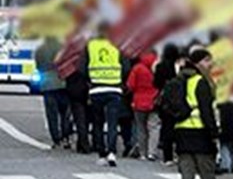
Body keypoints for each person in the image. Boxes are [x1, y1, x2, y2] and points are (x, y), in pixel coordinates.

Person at [172, 50, 230, 179]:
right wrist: (214, 134)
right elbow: (206, 111)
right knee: (207, 174)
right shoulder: (200, 82)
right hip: (200, 133)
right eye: (207, 61)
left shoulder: (179, 79)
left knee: (187, 176)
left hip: (182, 132)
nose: (210, 64)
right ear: (198, 63)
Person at [79, 23, 125, 167]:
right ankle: (112, 151)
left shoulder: (90, 46)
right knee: (112, 123)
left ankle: (101, 153)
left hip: (96, 89)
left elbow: (82, 68)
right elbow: (126, 66)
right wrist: (118, 80)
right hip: (114, 88)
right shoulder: (118, 45)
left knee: (97, 123)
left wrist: (91, 79)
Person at [35, 36, 73, 149]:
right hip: (63, 83)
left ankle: (56, 139)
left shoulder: (40, 49)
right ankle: (66, 137)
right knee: (65, 113)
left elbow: (38, 66)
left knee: (52, 115)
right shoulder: (64, 48)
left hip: (47, 85)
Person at [126, 50, 160, 161]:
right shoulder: (157, 67)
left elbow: (130, 85)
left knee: (141, 128)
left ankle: (143, 153)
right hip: (154, 101)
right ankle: (152, 152)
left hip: (139, 102)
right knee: (154, 127)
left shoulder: (137, 68)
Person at [154, 44, 181, 164]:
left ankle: (167, 157)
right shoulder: (179, 66)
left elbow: (155, 83)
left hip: (166, 99)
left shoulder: (160, 66)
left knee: (166, 128)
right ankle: (178, 153)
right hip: (179, 99)